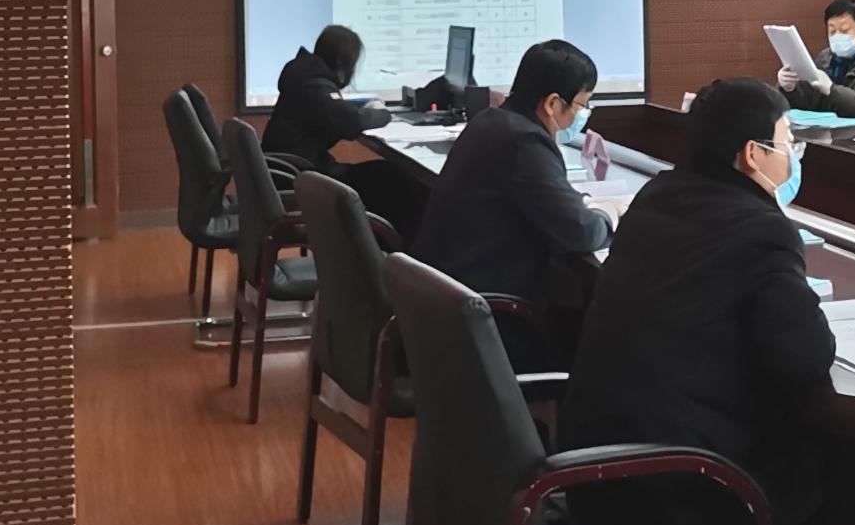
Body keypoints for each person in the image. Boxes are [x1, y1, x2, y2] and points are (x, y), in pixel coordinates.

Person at [562, 79, 837, 525]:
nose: (792, 155)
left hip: (593, 472)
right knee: (844, 461)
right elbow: (807, 358)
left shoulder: (656, 195)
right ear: (752, 154)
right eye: (788, 141)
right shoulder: (763, 229)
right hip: (682, 488)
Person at [412, 39, 611, 363]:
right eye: (580, 105)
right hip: (485, 318)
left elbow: (543, 194)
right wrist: (607, 216)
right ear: (552, 103)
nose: (581, 115)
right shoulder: (525, 141)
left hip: (446, 301)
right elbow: (579, 231)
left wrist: (575, 201)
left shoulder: (492, 121)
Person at [261, 24, 424, 239]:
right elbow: (349, 123)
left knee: (387, 174)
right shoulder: (315, 85)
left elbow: (333, 110)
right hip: (303, 177)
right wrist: (384, 115)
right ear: (341, 64)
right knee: (397, 183)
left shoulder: (305, 75)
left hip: (294, 172)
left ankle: (384, 249)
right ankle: (391, 250)